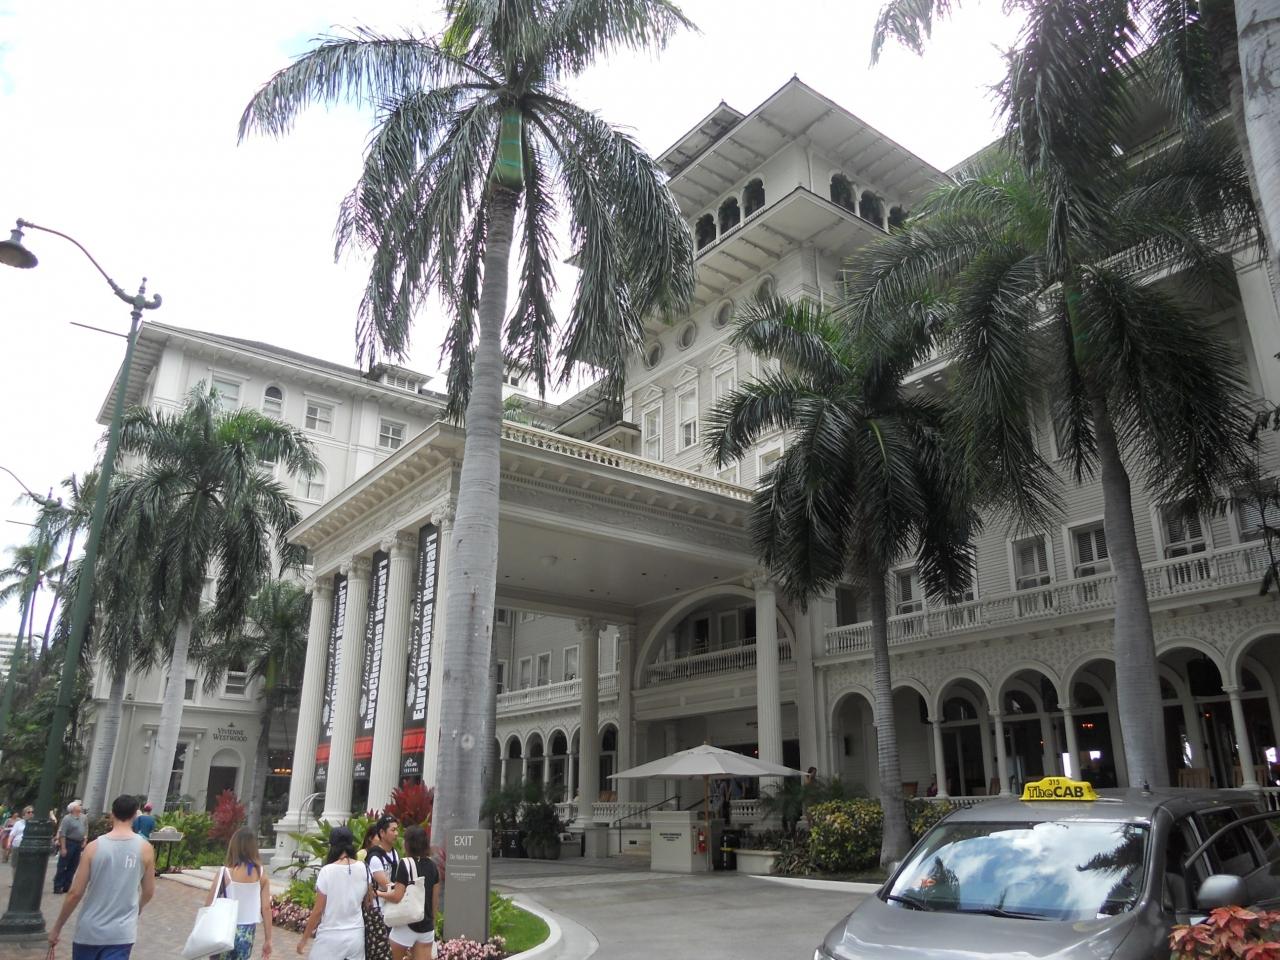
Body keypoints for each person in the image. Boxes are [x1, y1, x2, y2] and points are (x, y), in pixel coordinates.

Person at [48, 793, 156, 960]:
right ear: (135, 816)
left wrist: (57, 927)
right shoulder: (145, 849)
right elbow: (148, 891)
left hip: (90, 929)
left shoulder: (93, 847)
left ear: (112, 814)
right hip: (121, 932)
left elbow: (75, 893)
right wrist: (138, 908)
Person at [298, 826, 370, 959]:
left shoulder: (327, 871)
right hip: (356, 935)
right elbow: (367, 901)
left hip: (330, 936)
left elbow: (318, 911)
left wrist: (304, 940)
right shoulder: (363, 867)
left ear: (332, 847)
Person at [205, 826, 273, 960]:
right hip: (247, 932)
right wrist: (268, 939)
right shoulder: (261, 874)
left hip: (224, 929)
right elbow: (266, 908)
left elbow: (209, 905)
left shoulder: (225, 873)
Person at [377, 826, 439, 960]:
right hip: (426, 927)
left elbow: (397, 896)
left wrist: (379, 893)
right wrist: (432, 922)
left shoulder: (405, 864)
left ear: (408, 844)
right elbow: (434, 900)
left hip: (407, 924)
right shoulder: (433, 866)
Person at [363, 815, 400, 960]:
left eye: (397, 830)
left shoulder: (394, 853)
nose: (396, 834)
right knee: (379, 953)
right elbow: (387, 885)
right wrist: (401, 890)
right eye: (393, 830)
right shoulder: (374, 857)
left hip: (392, 909)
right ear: (382, 833)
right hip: (378, 912)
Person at [54, 799, 89, 894]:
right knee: (63, 865)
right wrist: (63, 847)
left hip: (78, 843)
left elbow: (86, 829)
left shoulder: (83, 818)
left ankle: (67, 885)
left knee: (73, 865)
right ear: (73, 808)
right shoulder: (67, 819)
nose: (80, 807)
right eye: (78, 805)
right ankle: (58, 885)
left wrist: (85, 840)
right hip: (69, 842)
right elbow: (63, 834)